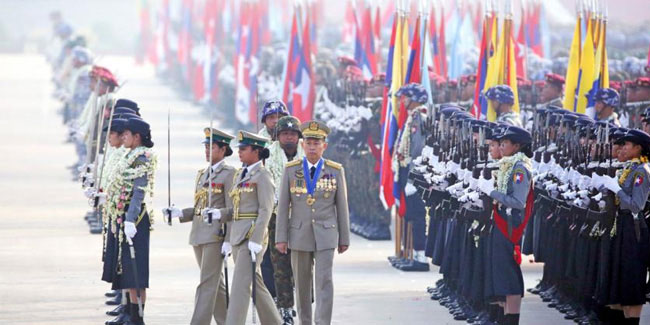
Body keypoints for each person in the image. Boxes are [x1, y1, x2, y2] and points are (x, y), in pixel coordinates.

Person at [275, 120, 351, 325]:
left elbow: (342, 207)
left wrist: (344, 238)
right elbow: (283, 207)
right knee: (301, 283)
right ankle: (305, 321)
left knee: (324, 281)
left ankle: (322, 322)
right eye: (308, 142)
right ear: (302, 145)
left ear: (324, 146)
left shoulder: (335, 170)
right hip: (299, 234)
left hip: (326, 234)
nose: (312, 147)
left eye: (316, 143)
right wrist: (280, 237)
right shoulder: (291, 170)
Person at [164, 128, 236, 325]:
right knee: (215, 284)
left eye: (211, 147)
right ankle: (228, 321)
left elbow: (232, 209)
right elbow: (199, 207)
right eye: (205, 147)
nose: (206, 151)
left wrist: (229, 240)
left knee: (206, 284)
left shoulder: (230, 174)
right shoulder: (202, 174)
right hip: (198, 234)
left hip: (215, 236)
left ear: (223, 149)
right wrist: (181, 213)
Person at [216, 131, 282, 325]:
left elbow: (266, 209)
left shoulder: (262, 176)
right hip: (238, 235)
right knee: (255, 283)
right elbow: (237, 207)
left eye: (244, 149)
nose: (239, 152)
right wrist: (220, 213)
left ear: (257, 151)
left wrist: (256, 239)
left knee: (239, 286)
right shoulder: (241, 175)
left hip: (251, 236)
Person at [477, 125, 534, 325]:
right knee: (500, 273)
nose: (500, 147)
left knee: (509, 274)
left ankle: (511, 320)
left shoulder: (520, 168)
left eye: (504, 143)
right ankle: (503, 318)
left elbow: (518, 201)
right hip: (501, 221)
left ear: (517, 146)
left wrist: (491, 192)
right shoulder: (508, 165)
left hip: (510, 224)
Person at [107, 117, 156, 325]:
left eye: (127, 134)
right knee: (126, 268)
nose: (123, 137)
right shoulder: (129, 155)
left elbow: (139, 192)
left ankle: (137, 317)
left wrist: (130, 219)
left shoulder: (142, 158)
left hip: (135, 220)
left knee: (137, 272)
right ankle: (130, 314)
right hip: (124, 217)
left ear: (137, 137)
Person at [600, 129, 650, 325]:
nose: (622, 148)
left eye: (627, 145)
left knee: (631, 281)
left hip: (633, 228)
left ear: (638, 148)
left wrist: (617, 190)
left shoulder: (642, 171)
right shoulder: (630, 168)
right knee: (619, 281)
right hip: (621, 225)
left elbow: (636, 204)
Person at [265, 115, 305, 324]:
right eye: (284, 134)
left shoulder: (309, 156)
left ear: (299, 137)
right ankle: (285, 308)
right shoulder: (268, 157)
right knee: (280, 265)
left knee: (304, 264)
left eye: (293, 134)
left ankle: (306, 305)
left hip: (304, 218)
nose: (289, 138)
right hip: (276, 216)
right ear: (277, 136)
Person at [393, 83, 430, 271]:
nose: (402, 101)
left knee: (417, 216)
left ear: (414, 98)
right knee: (412, 216)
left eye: (405, 97)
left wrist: (412, 178)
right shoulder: (412, 118)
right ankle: (414, 255)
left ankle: (420, 258)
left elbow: (417, 150)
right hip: (412, 173)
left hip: (417, 175)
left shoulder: (419, 118)